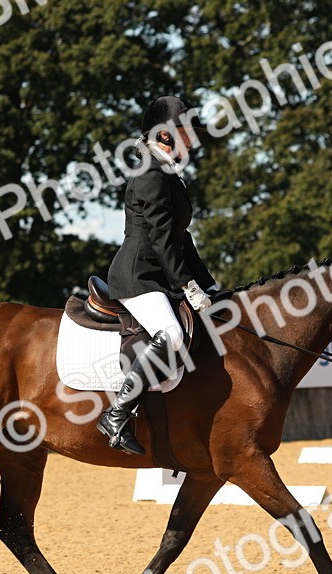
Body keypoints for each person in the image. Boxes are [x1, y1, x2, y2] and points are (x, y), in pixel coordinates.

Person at [97, 95, 219, 455]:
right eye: (187, 133)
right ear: (166, 135)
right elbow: (163, 239)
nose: (193, 140)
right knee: (170, 334)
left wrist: (210, 285)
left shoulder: (167, 172)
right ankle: (117, 414)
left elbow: (182, 238)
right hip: (138, 276)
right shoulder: (151, 173)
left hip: (157, 273)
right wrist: (187, 285)